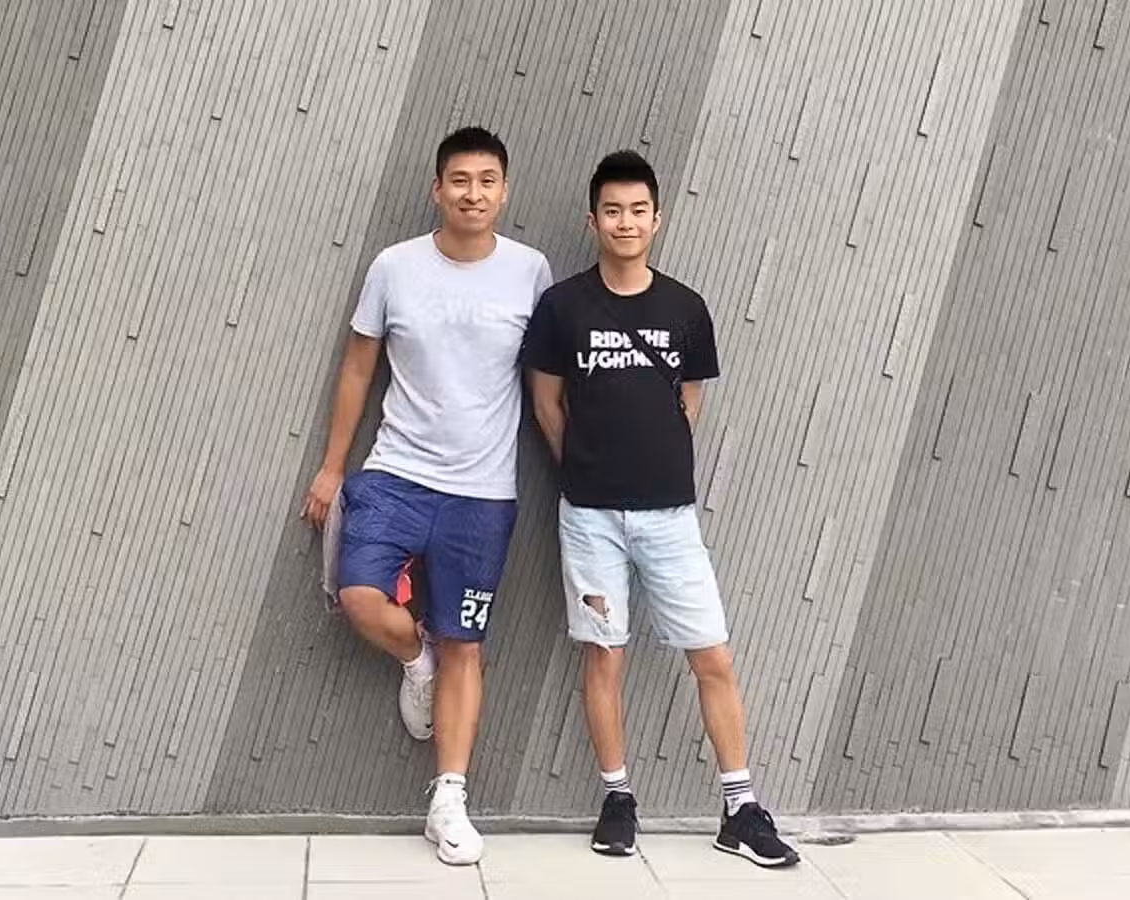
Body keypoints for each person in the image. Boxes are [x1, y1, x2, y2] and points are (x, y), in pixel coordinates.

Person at [520, 150, 799, 868]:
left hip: (670, 517)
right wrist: (585, 465)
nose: (626, 222)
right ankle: (618, 798)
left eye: (638, 210)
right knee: (604, 654)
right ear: (593, 220)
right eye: (612, 210)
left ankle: (740, 807)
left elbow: (690, 402)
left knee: (713, 656)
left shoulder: (685, 308)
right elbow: (547, 402)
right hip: (589, 515)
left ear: (657, 219)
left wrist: (652, 461)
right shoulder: (562, 307)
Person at [301, 126, 553, 865]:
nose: (473, 194)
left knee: (466, 643)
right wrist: (332, 467)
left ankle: (448, 801)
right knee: (357, 598)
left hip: (483, 493)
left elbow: (545, 383)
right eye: (459, 181)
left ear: (504, 191)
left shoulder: (530, 271)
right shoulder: (394, 266)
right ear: (437, 189)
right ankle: (416, 658)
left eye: (487, 181)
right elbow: (357, 367)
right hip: (395, 474)